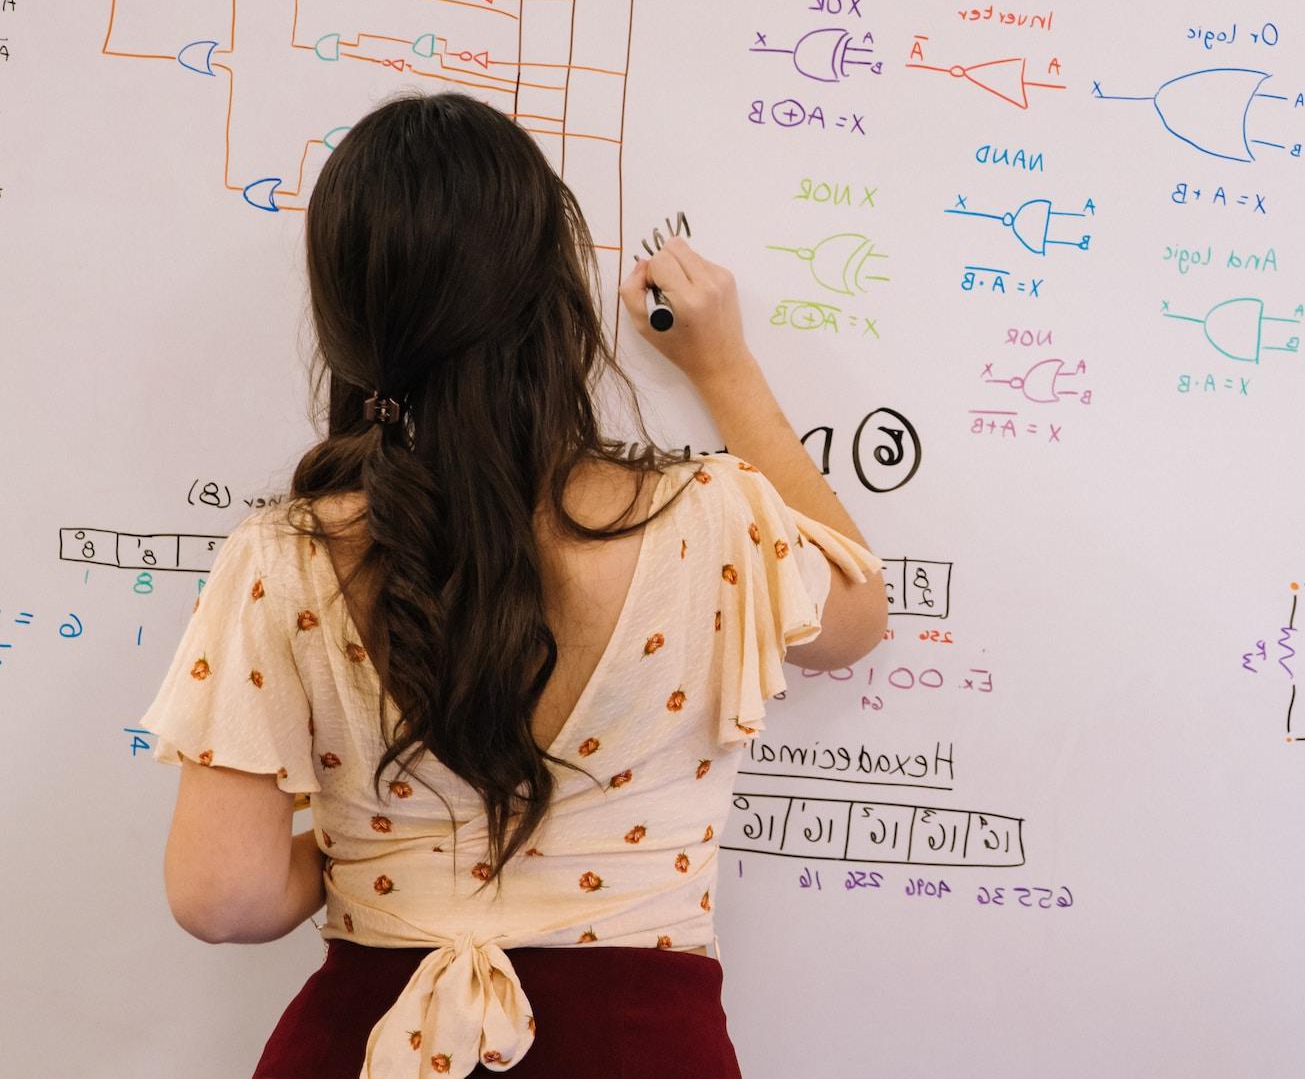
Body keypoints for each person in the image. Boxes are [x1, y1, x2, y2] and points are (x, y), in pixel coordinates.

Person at [138, 91, 888, 1078]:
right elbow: (856, 610)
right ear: (554, 297)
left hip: (362, 1045)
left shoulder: (282, 556)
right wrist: (725, 364)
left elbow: (220, 896)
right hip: (640, 1048)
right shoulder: (713, 519)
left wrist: (390, 858)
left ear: (350, 322)